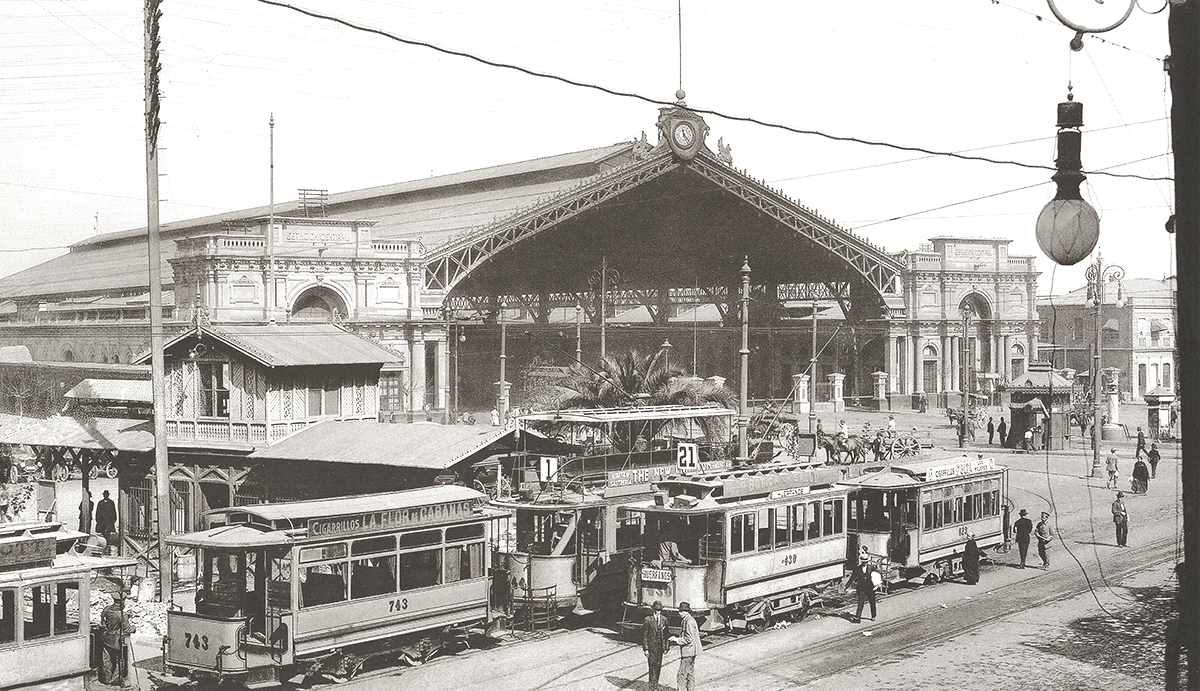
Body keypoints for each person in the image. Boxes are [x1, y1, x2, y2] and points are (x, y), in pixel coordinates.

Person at [99, 591, 136, 686]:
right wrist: (133, 627)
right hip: (116, 641)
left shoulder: (106, 609)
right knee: (120, 660)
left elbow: (103, 622)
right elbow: (127, 629)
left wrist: (126, 616)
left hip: (106, 638)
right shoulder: (122, 615)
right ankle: (116, 680)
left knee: (106, 660)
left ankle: (106, 679)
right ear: (122, 601)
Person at [642, 600, 669, 691]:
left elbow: (666, 635)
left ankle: (655, 685)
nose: (658, 612)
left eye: (660, 610)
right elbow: (644, 635)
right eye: (656, 610)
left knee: (658, 667)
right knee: (652, 667)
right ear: (653, 610)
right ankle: (652, 688)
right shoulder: (648, 620)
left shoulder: (664, 619)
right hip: (651, 648)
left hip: (660, 648)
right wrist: (645, 649)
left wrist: (666, 647)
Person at [676, 601, 702, 691]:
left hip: (688, 652)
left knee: (682, 674)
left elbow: (688, 639)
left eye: (681, 611)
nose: (679, 613)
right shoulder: (688, 619)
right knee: (690, 673)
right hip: (692, 651)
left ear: (685, 612)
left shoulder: (688, 621)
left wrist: (676, 640)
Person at [847, 552, 877, 623]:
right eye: (863, 562)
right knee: (860, 603)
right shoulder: (858, 568)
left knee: (872, 602)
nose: (865, 563)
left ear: (867, 562)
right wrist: (847, 586)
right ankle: (858, 618)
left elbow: (876, 576)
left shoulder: (871, 568)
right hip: (861, 588)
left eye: (866, 562)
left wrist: (877, 585)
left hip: (870, 588)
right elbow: (852, 578)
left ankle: (873, 616)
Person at [96, 489, 118, 556]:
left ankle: (107, 543)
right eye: (105, 495)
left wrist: (114, 519)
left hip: (108, 520)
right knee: (102, 532)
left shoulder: (111, 502)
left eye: (106, 495)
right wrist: (97, 519)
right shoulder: (100, 502)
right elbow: (98, 511)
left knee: (107, 532)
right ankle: (104, 543)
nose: (106, 496)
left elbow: (114, 511)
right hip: (102, 520)